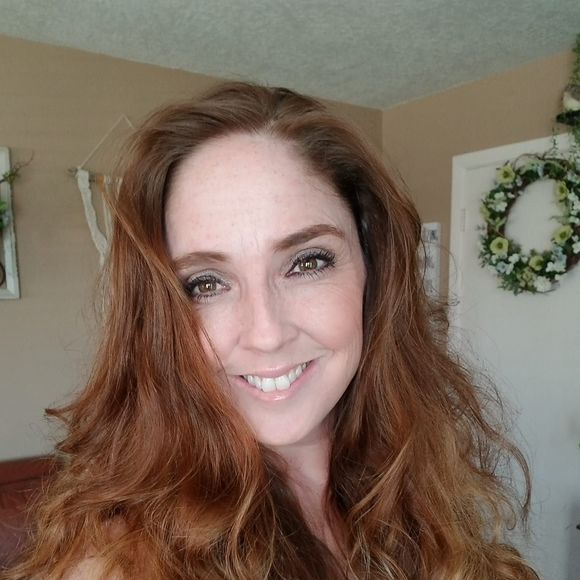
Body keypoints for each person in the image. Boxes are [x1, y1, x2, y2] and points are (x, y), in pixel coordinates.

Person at [3, 82, 538, 579]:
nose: (265, 334)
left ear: (373, 269)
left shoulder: (421, 488)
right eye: (205, 283)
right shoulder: (120, 561)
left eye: (306, 263)